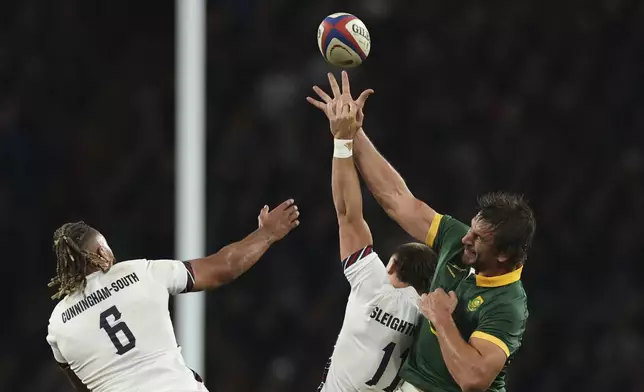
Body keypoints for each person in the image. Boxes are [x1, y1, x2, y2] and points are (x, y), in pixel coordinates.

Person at [308, 72, 535, 392]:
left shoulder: (507, 304)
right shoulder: (458, 243)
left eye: (479, 239)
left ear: (505, 254)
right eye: (470, 229)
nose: (465, 239)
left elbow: (474, 380)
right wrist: (352, 130)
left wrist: (442, 319)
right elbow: (397, 199)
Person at [46, 200, 300, 392]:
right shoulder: (141, 272)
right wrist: (265, 234)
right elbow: (224, 266)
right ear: (102, 252)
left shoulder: (58, 325)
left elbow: (83, 387)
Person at [318, 94, 437, 392]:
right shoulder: (429, 321)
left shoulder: (373, 285)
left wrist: (343, 140)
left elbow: (348, 214)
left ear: (393, 264)